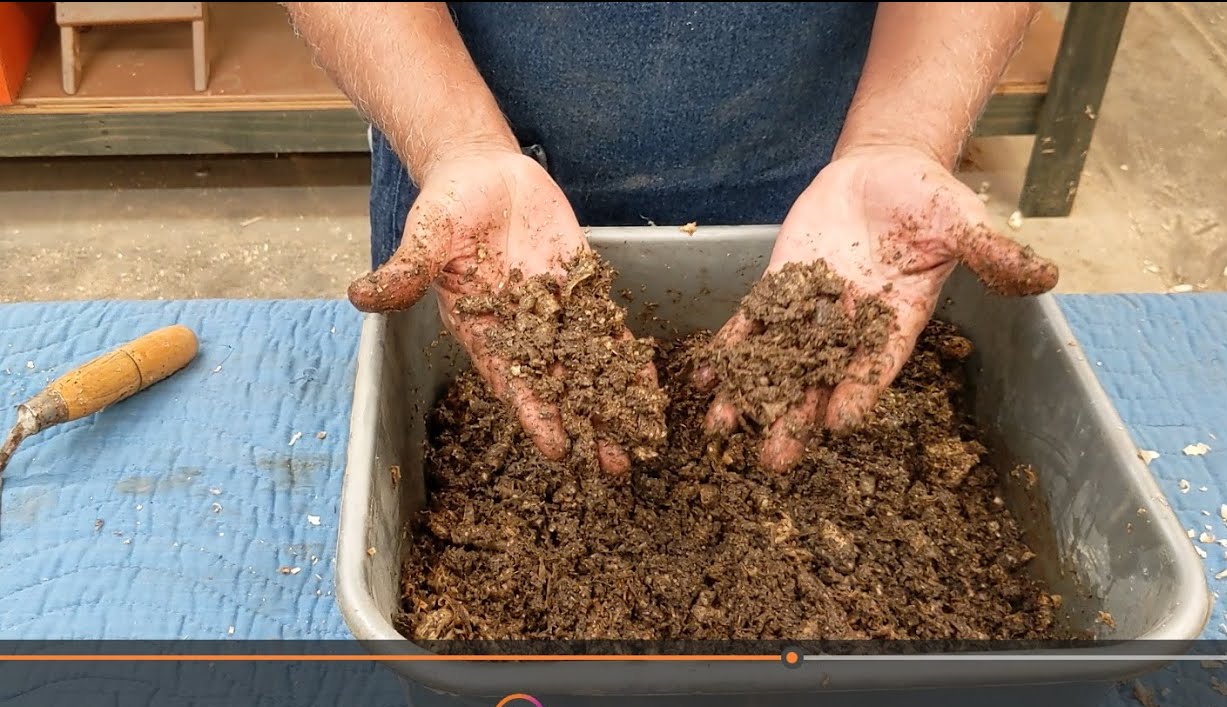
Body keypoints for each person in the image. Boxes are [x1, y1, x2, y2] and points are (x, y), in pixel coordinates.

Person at [284, 1, 1059, 476]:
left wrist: (901, 135)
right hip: (476, 174)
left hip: (833, 185)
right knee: (479, 414)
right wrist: (456, 144)